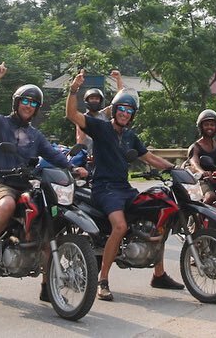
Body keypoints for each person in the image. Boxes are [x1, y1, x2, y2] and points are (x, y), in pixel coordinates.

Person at [65, 69, 182, 302]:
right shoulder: (100, 127)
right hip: (104, 188)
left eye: (130, 111)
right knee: (119, 226)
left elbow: (149, 158)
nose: (125, 114)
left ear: (132, 115)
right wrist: (73, 90)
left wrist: (176, 169)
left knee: (159, 214)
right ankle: (103, 281)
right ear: (115, 109)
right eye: (122, 109)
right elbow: (72, 115)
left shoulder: (130, 136)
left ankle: (158, 274)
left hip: (124, 188)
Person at [0, 62, 87, 281]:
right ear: (17, 103)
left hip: (27, 185)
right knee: (7, 205)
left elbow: (54, 155)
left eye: (33, 103)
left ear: (37, 109)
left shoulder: (36, 135)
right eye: (25, 101)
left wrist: (73, 168)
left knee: (48, 217)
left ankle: (47, 286)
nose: (28, 105)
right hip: (0, 183)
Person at [74, 69, 126, 167]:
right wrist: (80, 156)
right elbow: (79, 139)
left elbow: (119, 100)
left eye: (97, 99)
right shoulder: (82, 118)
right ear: (87, 101)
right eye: (92, 98)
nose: (95, 101)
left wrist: (118, 79)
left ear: (100, 101)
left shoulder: (104, 114)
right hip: (89, 159)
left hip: (107, 157)